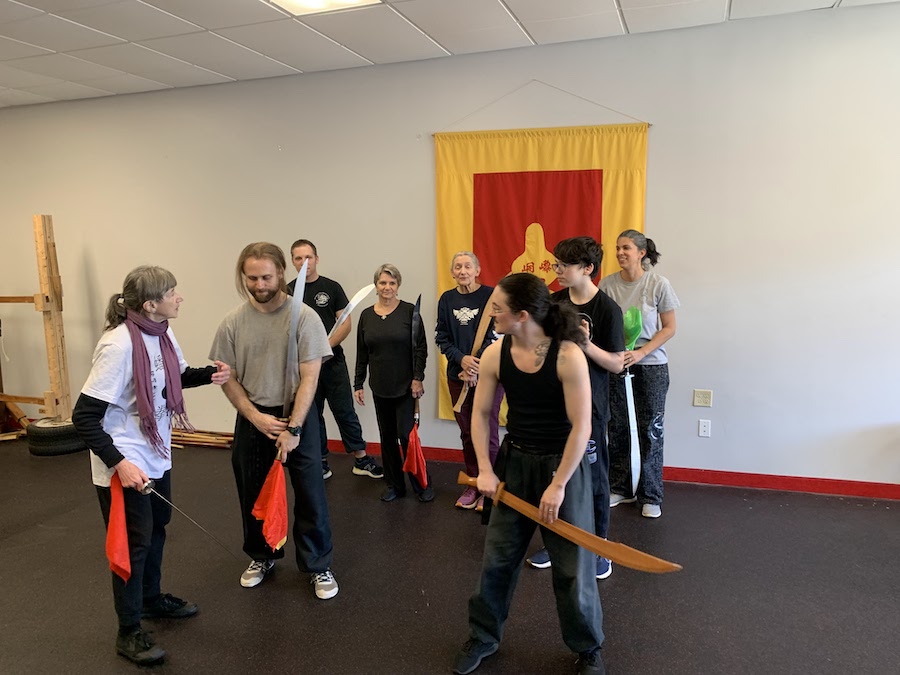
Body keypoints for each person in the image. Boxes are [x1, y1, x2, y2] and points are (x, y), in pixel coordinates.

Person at [72, 266, 230, 666]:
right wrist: (119, 464)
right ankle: (128, 632)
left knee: (157, 527)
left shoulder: (160, 332)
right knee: (133, 546)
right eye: (172, 293)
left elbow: (171, 379)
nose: (180, 298)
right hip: (124, 459)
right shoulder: (118, 346)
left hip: (155, 452)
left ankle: (150, 599)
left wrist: (210, 374)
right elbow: (84, 416)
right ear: (151, 304)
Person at [452, 273, 606, 675]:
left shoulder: (567, 355)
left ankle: (588, 648)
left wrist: (558, 486)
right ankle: (483, 636)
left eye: (497, 309)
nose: (492, 314)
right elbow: (481, 414)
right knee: (498, 560)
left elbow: (582, 427)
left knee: (573, 568)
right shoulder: (495, 353)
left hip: (564, 467)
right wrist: (484, 471)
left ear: (521, 315)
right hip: (515, 463)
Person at [209, 242, 339, 599]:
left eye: (266, 276)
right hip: (254, 418)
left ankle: (317, 565)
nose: (260, 284)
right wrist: (254, 417)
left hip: (298, 415)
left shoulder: (305, 317)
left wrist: (294, 428)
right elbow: (228, 377)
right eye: (252, 278)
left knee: (311, 494)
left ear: (282, 273)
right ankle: (262, 555)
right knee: (254, 494)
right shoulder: (233, 322)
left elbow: (310, 376)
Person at [526, 237, 625, 579]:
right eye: (555, 265)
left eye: (563, 266)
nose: (557, 271)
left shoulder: (607, 309)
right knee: (555, 477)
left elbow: (615, 364)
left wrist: (584, 343)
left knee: (594, 481)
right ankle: (556, 543)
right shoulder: (553, 303)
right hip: (555, 406)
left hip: (591, 408)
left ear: (587, 269)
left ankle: (599, 546)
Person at [599, 230, 680, 519]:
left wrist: (642, 353)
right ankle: (620, 487)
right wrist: (616, 356)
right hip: (617, 364)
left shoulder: (658, 284)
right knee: (617, 426)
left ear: (641, 253)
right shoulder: (607, 285)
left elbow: (669, 327)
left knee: (651, 429)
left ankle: (651, 494)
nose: (620, 253)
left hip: (652, 366)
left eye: (627, 248)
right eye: (618, 248)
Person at [287, 239, 383, 481]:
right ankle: (320, 462)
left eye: (308, 257)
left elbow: (345, 323)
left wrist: (322, 350)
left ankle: (361, 459)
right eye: (298, 258)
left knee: (344, 410)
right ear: (292, 261)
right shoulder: (287, 292)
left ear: (316, 259)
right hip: (303, 368)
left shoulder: (331, 287)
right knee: (312, 413)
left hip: (332, 362)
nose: (304, 262)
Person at [353, 263, 431, 503]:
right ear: (376, 285)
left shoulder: (409, 312)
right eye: (382, 283)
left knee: (406, 437)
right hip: (380, 386)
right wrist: (358, 383)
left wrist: (418, 378)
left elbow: (421, 349)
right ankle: (395, 485)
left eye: (392, 283)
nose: (387, 287)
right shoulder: (366, 315)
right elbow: (362, 352)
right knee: (386, 438)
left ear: (398, 286)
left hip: (406, 386)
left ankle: (421, 485)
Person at [435, 251, 503, 511]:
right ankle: (474, 483)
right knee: (467, 432)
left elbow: (497, 333)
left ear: (478, 269)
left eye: (467, 266)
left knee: (489, 431)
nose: (462, 271)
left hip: (488, 375)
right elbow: (442, 336)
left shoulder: (491, 296)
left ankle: (491, 486)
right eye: (457, 267)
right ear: (452, 272)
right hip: (458, 375)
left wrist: (477, 366)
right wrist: (462, 360)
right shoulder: (447, 299)